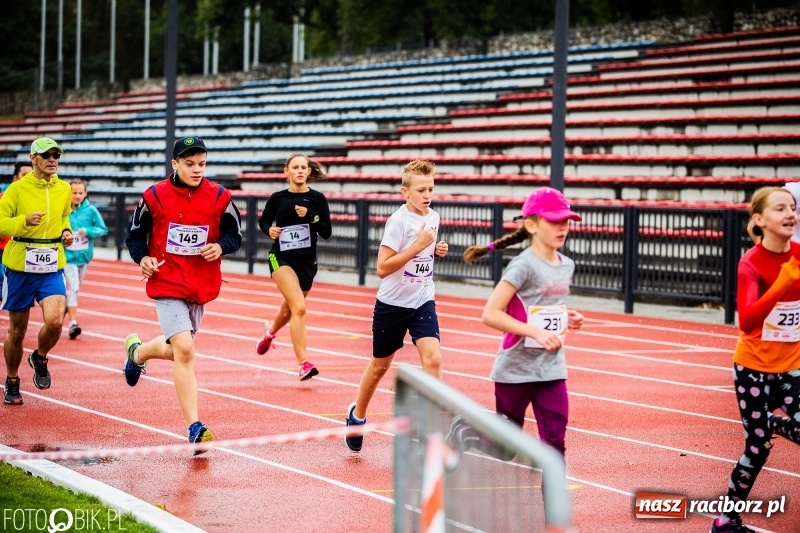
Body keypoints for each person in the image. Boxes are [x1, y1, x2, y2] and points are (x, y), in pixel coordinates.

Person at [446, 187, 584, 462]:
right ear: (532, 225)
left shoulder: (566, 264)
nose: (562, 227)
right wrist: (535, 331)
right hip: (516, 369)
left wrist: (568, 316)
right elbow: (491, 313)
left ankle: (553, 506)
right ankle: (463, 431)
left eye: (566, 221)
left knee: (555, 444)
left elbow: (544, 305)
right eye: (554, 221)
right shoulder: (523, 266)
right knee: (506, 449)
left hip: (551, 369)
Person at [123, 137, 242, 453]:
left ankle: (137, 353)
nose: (197, 170)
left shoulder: (219, 196)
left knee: (178, 349)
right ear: (174, 164)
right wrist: (143, 258)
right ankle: (195, 428)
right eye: (189, 164)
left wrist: (221, 246)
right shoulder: (154, 196)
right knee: (186, 350)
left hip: (199, 284)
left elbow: (235, 234)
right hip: (166, 282)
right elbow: (134, 236)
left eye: (201, 163)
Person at [710, 186, 800, 533]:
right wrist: (781, 284)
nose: (790, 214)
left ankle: (774, 423)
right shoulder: (752, 262)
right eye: (780, 209)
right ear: (760, 220)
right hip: (753, 371)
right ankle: (725, 520)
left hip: (790, 368)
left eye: (792, 207)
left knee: (768, 431)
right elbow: (746, 321)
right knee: (757, 446)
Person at [345, 159, 449, 453]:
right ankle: (357, 416)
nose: (427, 195)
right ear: (405, 192)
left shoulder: (435, 217)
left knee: (434, 360)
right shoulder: (398, 222)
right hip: (392, 304)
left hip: (423, 299)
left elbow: (423, 256)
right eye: (420, 190)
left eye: (430, 188)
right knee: (380, 366)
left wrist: (436, 250)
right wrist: (417, 246)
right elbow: (382, 268)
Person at [0, 137, 74, 405]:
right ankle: (11, 380)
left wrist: (66, 232)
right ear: (34, 159)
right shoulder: (17, 190)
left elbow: (65, 218)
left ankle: (40, 356)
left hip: (52, 264)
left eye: (56, 155)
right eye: (47, 155)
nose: (52, 159)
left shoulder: (64, 189)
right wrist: (23, 221)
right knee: (17, 331)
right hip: (20, 265)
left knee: (55, 320)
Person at [254, 153, 332, 381]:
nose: (299, 171)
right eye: (295, 167)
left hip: (307, 262)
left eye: (303, 167)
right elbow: (264, 221)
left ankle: (269, 333)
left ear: (309, 171)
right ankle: (303, 363)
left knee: (288, 310)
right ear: (286, 171)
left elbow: (326, 231)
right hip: (280, 258)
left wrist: (311, 217)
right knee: (299, 308)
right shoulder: (278, 198)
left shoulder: (317, 199)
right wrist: (269, 230)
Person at [64, 179, 108, 339]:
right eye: (74, 193)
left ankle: (64, 308)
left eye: (80, 193)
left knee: (76, 288)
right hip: (67, 257)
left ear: (85, 193)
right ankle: (73, 323)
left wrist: (88, 231)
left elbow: (103, 229)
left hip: (84, 257)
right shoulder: (64, 209)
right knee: (74, 286)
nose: (77, 196)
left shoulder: (91, 210)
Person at [0, 162, 33, 285]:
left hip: (25, 251)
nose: (28, 177)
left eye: (31, 174)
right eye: (24, 174)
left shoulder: (37, 200)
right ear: (15, 178)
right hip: (3, 250)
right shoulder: (3, 197)